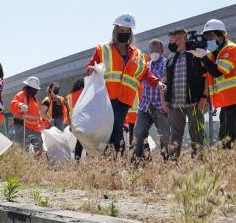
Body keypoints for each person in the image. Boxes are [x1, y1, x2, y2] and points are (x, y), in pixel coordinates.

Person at [86, 13, 163, 156]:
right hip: (108, 97)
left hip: (125, 99)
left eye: (127, 31)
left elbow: (145, 72)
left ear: (130, 33)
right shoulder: (103, 49)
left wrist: (157, 82)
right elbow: (91, 66)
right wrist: (91, 69)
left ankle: (112, 158)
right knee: (115, 128)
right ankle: (118, 157)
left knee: (115, 128)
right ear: (116, 31)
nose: (124, 33)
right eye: (121, 31)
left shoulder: (137, 54)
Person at [196, 19, 236, 148]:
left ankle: (235, 163)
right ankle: (229, 163)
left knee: (231, 136)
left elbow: (217, 72)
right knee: (224, 135)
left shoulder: (230, 49)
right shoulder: (214, 54)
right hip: (229, 100)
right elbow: (204, 71)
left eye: (211, 36)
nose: (208, 40)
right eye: (206, 37)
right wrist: (197, 55)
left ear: (221, 35)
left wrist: (203, 57)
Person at [163, 28, 208, 158]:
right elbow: (165, 81)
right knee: (175, 135)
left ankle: (199, 163)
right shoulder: (170, 59)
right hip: (175, 105)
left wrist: (205, 96)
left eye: (173, 40)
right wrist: (165, 100)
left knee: (197, 134)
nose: (171, 43)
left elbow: (207, 77)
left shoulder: (197, 54)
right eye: (170, 40)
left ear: (182, 38)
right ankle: (172, 163)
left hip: (195, 102)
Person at [132, 39, 170, 161]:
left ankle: (166, 161)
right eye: (151, 51)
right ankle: (141, 160)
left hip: (160, 107)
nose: (154, 53)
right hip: (145, 107)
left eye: (156, 51)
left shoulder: (167, 64)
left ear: (162, 50)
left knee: (165, 136)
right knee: (138, 133)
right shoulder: (146, 66)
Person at [10, 76, 49, 155]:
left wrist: (41, 123)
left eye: (36, 90)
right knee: (23, 150)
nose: (36, 91)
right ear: (29, 88)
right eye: (35, 90)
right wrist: (20, 106)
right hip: (23, 127)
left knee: (39, 149)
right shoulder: (21, 95)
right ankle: (23, 165)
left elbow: (37, 113)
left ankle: (37, 165)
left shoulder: (34, 99)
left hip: (35, 129)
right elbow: (12, 105)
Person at [66, 77, 86, 160]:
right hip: (85, 121)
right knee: (88, 142)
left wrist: (70, 125)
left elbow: (68, 113)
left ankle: (77, 160)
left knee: (80, 141)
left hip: (75, 123)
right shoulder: (85, 93)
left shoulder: (69, 96)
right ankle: (90, 161)